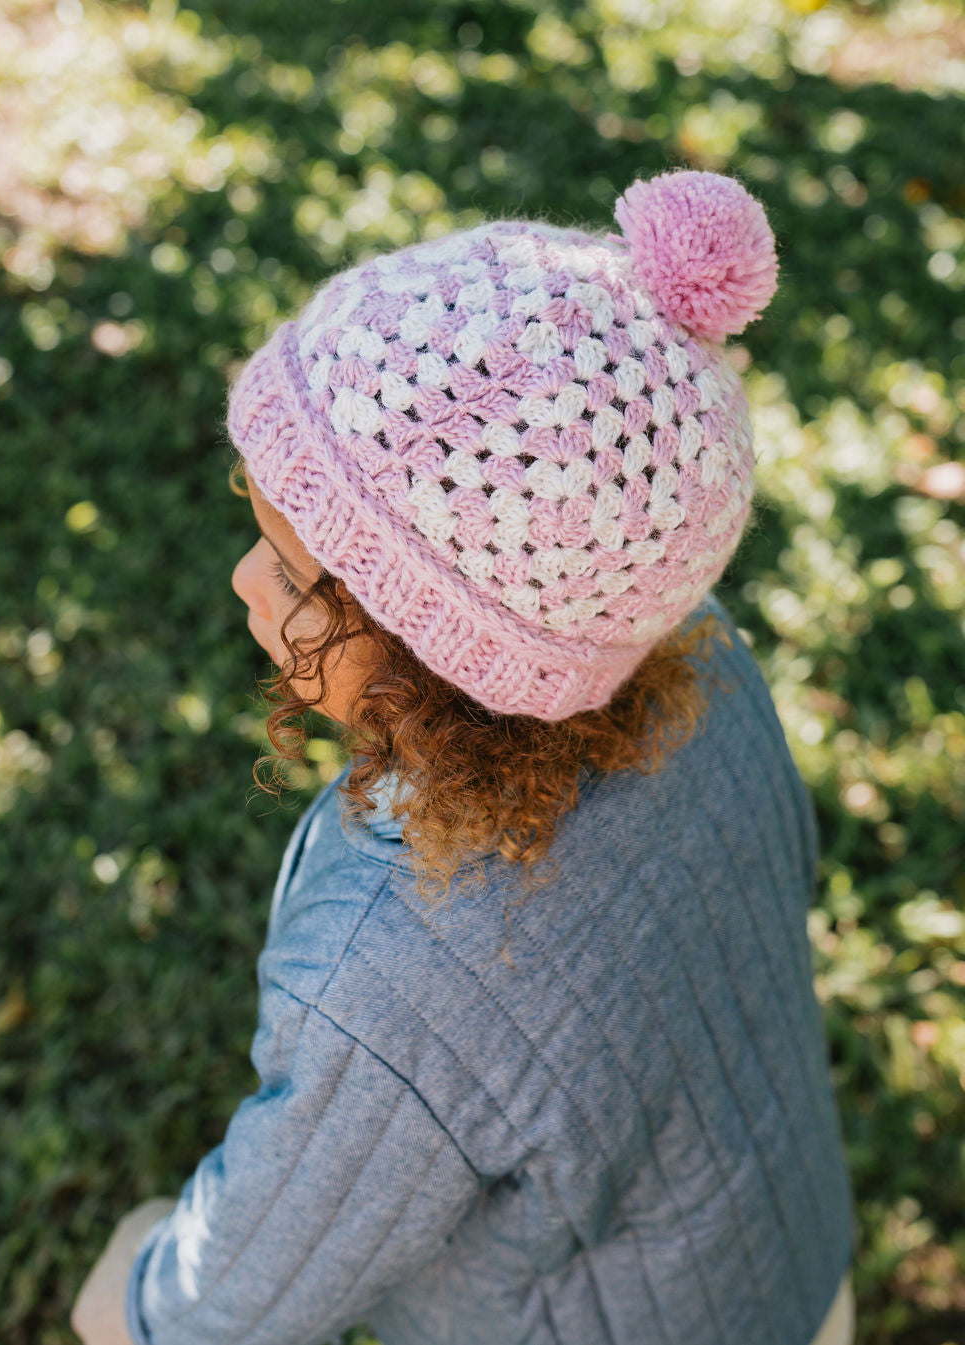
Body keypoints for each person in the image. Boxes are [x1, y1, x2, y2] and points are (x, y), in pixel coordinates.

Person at [71, 169, 858, 1345]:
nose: (244, 578)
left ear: (445, 662)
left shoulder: (394, 972)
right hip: (792, 1271)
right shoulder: (705, 660)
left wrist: (133, 1295)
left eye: (293, 575)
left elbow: (232, 1299)